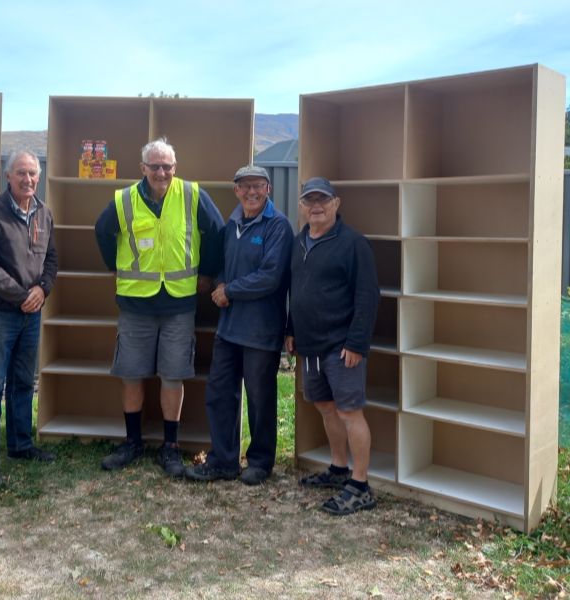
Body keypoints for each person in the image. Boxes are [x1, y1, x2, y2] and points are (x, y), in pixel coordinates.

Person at [94, 137, 224, 477]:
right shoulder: (124, 200)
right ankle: (133, 442)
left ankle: (170, 446)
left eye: (167, 166)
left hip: (179, 304)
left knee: (173, 375)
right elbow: (101, 232)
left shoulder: (193, 195)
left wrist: (207, 273)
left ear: (174, 168)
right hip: (135, 304)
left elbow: (217, 232)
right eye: (155, 166)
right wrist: (115, 267)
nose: (161, 172)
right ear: (143, 169)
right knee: (132, 374)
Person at [185, 165, 293, 486]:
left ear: (268, 189)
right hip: (229, 328)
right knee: (220, 393)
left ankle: (260, 461)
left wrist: (229, 290)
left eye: (257, 186)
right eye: (245, 187)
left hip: (261, 330)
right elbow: (222, 267)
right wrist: (219, 284)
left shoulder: (278, 227)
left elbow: (270, 277)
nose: (251, 192)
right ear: (236, 190)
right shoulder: (231, 224)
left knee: (259, 398)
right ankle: (224, 460)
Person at [285, 176, 379, 514]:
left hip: (341, 347)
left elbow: (367, 296)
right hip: (309, 346)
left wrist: (356, 343)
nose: (316, 206)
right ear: (302, 207)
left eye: (322, 200)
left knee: (349, 412)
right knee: (325, 408)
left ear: (336, 204)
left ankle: (360, 485)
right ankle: (339, 469)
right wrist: (291, 329)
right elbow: (297, 292)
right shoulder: (298, 243)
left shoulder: (353, 243)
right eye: (309, 200)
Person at [0, 150, 58, 487]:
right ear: (8, 176)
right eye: (21, 173)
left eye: (33, 173)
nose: (28, 179)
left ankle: (21, 445)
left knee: (24, 383)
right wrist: (22, 295)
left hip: (31, 315)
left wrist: (42, 290)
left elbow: (51, 260)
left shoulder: (44, 214)